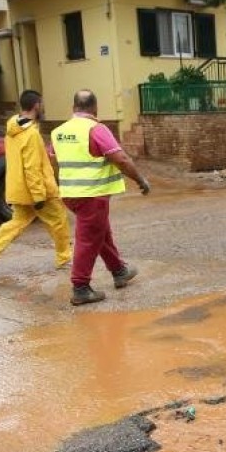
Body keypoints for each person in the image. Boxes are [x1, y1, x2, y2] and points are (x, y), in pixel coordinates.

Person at [52, 89, 151, 306]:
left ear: (73, 108)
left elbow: (54, 158)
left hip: (70, 194)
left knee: (100, 232)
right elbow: (121, 159)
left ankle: (119, 270)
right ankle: (80, 287)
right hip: (92, 194)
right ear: (95, 108)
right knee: (88, 239)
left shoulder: (58, 131)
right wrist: (140, 180)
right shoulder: (96, 129)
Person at [0, 90, 72, 277]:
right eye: (41, 104)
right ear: (36, 105)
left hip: (19, 189)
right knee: (59, 220)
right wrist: (39, 195)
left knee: (15, 223)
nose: (42, 107)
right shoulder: (31, 134)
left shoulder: (12, 130)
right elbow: (32, 166)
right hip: (37, 190)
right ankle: (64, 258)